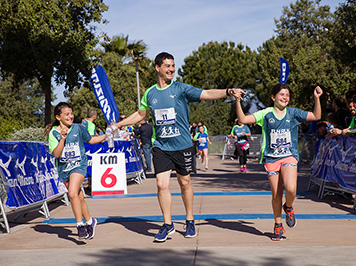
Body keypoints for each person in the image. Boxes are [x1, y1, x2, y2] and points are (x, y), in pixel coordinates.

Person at [114, 52, 243, 242]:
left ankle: (189, 219)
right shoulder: (150, 93)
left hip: (182, 146)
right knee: (161, 184)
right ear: (157, 68)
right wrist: (117, 125)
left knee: (185, 183)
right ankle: (168, 224)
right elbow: (141, 114)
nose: (171, 69)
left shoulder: (181, 89)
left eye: (173, 65)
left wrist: (228, 91)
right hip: (161, 146)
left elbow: (206, 93)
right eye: (167, 66)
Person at [234, 83, 322, 241]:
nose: (285, 98)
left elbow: (316, 116)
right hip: (271, 158)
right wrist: (238, 101)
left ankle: (288, 206)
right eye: (282, 94)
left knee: (291, 189)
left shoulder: (293, 113)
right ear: (273, 97)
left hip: (289, 155)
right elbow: (243, 119)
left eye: (287, 95)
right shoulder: (266, 114)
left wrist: (317, 98)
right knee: (276, 194)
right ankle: (278, 225)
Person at [45, 102, 105, 240]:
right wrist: (62, 139)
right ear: (58, 117)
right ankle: (90, 221)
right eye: (67, 114)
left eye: (71, 114)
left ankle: (80, 225)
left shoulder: (78, 128)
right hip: (64, 169)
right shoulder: (53, 133)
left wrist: (106, 136)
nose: (71, 116)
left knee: (72, 193)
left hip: (79, 165)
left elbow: (90, 140)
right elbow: (56, 154)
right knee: (78, 197)